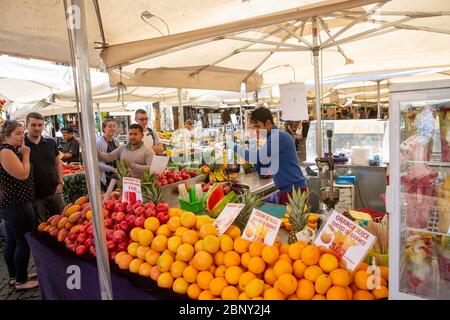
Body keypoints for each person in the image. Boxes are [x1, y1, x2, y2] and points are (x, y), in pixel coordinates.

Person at [229, 107, 307, 205]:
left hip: (294, 192)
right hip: (290, 190)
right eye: (255, 127)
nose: (257, 130)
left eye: (258, 126)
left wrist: (233, 146)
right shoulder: (274, 136)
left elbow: (256, 157)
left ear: (268, 123)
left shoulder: (278, 136)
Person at [0, 120, 39, 290]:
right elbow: (23, 175)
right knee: (23, 241)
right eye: (17, 133)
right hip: (17, 204)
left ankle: (15, 275)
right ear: (6, 135)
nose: (21, 136)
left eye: (22, 132)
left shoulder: (9, 151)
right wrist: (26, 154)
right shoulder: (7, 152)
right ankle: (21, 281)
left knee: (12, 240)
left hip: (12, 203)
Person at [25, 112, 65, 223]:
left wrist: (61, 182)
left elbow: (58, 164)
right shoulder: (21, 144)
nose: (37, 128)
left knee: (62, 221)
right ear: (26, 125)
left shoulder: (51, 142)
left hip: (54, 191)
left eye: (40, 125)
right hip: (34, 196)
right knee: (40, 226)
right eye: (33, 125)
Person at [96, 118, 119, 191]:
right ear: (104, 128)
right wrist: (111, 169)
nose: (112, 128)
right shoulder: (98, 142)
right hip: (104, 177)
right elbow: (95, 162)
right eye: (109, 126)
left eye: (114, 126)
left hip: (115, 176)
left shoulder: (116, 141)